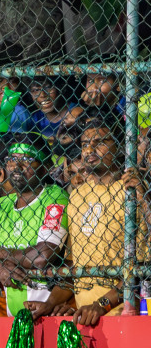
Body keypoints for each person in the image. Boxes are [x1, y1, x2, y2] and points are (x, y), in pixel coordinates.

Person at [0, 134, 68, 319]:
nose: (17, 166)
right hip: (11, 316)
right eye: (11, 160)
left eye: (27, 159)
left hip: (49, 314)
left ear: (45, 167)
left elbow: (42, 256)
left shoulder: (55, 197)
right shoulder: (2, 205)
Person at [61, 119, 146, 325]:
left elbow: (141, 268)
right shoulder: (76, 195)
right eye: (84, 144)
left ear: (119, 147)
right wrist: (57, 302)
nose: (89, 149)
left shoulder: (132, 191)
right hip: (84, 314)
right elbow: (73, 263)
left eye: (99, 142)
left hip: (123, 313)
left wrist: (103, 303)